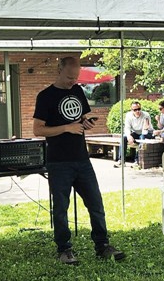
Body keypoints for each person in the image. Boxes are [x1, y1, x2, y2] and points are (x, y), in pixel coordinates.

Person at [33, 56, 125, 265]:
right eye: (69, 77)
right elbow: (38, 130)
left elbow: (82, 117)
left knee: (96, 204)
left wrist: (86, 123)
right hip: (58, 161)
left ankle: (102, 245)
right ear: (59, 70)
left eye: (75, 78)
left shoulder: (77, 91)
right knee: (61, 209)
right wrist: (67, 127)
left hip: (82, 159)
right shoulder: (45, 96)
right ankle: (64, 249)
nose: (72, 81)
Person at [117, 101, 152, 166]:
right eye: (135, 110)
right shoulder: (128, 115)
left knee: (142, 138)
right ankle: (121, 160)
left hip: (147, 132)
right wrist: (129, 136)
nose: (137, 111)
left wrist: (145, 127)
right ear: (131, 110)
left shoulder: (146, 115)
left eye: (139, 109)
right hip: (136, 132)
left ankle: (137, 161)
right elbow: (127, 128)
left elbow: (145, 130)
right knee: (124, 137)